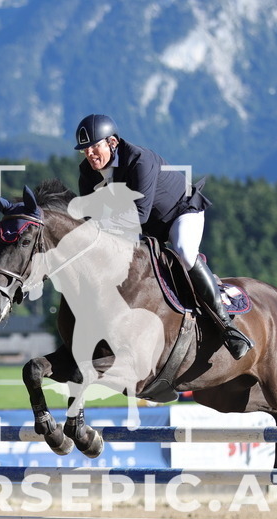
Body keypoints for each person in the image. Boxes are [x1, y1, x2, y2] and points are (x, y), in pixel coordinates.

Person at [73, 113, 253, 359]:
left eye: (95, 147)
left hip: (179, 213)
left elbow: (139, 214)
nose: (90, 154)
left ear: (112, 143)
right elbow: (91, 216)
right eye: (85, 150)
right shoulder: (87, 172)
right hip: (147, 229)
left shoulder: (139, 160)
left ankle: (228, 328)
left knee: (185, 253)